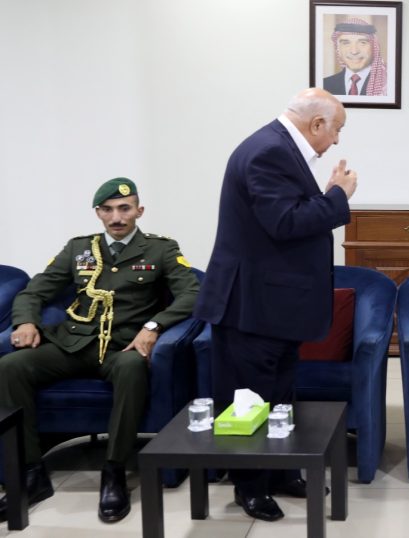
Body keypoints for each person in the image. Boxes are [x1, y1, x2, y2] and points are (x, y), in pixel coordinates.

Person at [194, 88, 356, 522]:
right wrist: (337, 197)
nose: (336, 140)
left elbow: (285, 213)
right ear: (316, 124)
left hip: (274, 306)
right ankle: (250, 486)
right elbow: (285, 222)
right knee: (248, 400)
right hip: (251, 307)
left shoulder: (277, 147)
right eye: (336, 129)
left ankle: (281, 472)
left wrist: (326, 196)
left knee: (279, 395)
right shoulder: (269, 152)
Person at [0, 178, 199, 524]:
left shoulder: (161, 249)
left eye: (124, 208)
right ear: (98, 213)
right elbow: (35, 291)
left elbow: (192, 294)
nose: (116, 217)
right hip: (74, 344)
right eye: (107, 210)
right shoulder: (78, 249)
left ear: (139, 211)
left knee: (132, 368)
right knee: (10, 366)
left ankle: (114, 471)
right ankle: (31, 473)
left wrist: (154, 326)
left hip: (123, 346)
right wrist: (25, 322)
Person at [322, 18, 387, 96]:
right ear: (338, 48)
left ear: (374, 47)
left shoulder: (387, 85)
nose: (354, 51)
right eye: (346, 43)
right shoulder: (324, 85)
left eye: (362, 43)